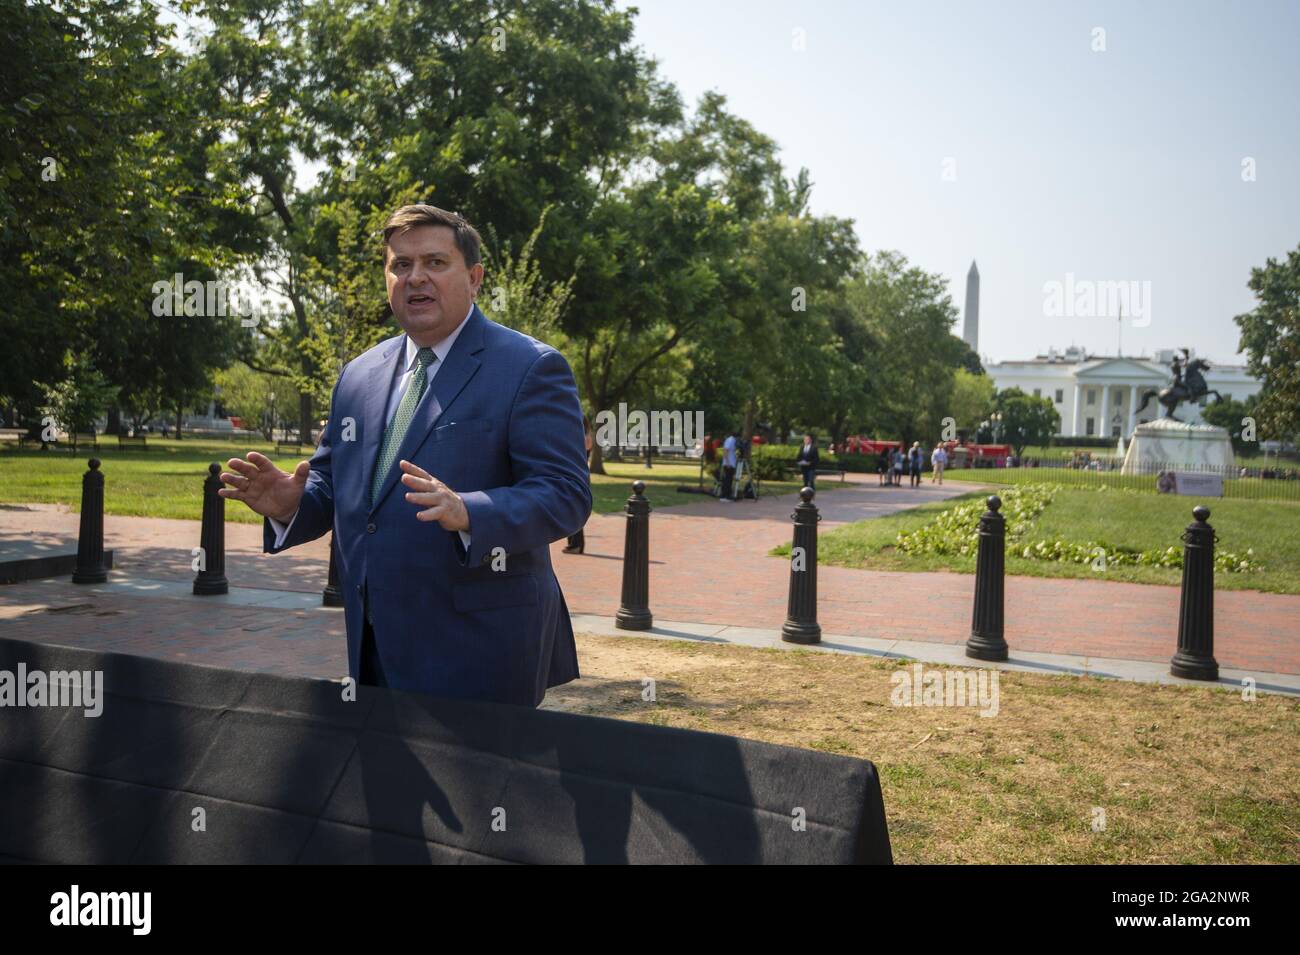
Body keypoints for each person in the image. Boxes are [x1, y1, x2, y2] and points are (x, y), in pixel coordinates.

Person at [219, 204, 590, 707]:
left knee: (483, 788)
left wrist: (470, 511)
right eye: (401, 265)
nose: (416, 277)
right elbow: (336, 485)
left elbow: (564, 494)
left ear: (475, 277)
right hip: (373, 640)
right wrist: (291, 504)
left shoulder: (530, 367)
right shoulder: (358, 375)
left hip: (483, 648)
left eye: (436, 262)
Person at [563, 414, 593, 554]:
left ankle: (576, 544)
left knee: (573, 509)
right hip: (581, 473)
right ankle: (574, 544)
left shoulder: (581, 437)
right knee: (573, 508)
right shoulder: (587, 437)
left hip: (576, 474)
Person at [720, 432, 738, 502]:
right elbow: (725, 451)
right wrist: (727, 462)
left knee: (729, 480)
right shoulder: (730, 440)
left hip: (731, 463)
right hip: (729, 464)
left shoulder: (733, 440)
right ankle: (724, 496)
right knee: (727, 480)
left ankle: (727, 495)